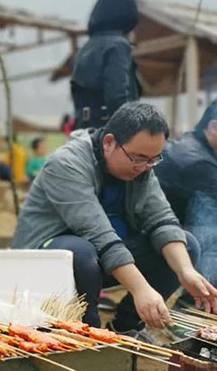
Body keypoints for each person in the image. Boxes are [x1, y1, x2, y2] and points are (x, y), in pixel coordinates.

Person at [11, 102, 217, 343]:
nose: (145, 167)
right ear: (109, 142)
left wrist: (186, 271)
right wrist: (141, 289)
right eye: (138, 158)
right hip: (49, 259)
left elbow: (162, 220)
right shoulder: (67, 163)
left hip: (101, 260)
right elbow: (97, 233)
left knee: (185, 245)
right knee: (80, 251)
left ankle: (126, 326)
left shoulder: (142, 168)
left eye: (153, 160)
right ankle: (87, 334)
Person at [155, 102, 217, 294]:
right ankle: (200, 298)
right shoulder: (197, 163)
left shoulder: (195, 143)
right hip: (159, 232)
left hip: (171, 224)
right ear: (214, 127)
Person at [71, 0, 141, 130]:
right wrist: (132, 129)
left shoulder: (87, 47)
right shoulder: (118, 45)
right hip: (107, 129)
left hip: (83, 128)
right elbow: (117, 96)